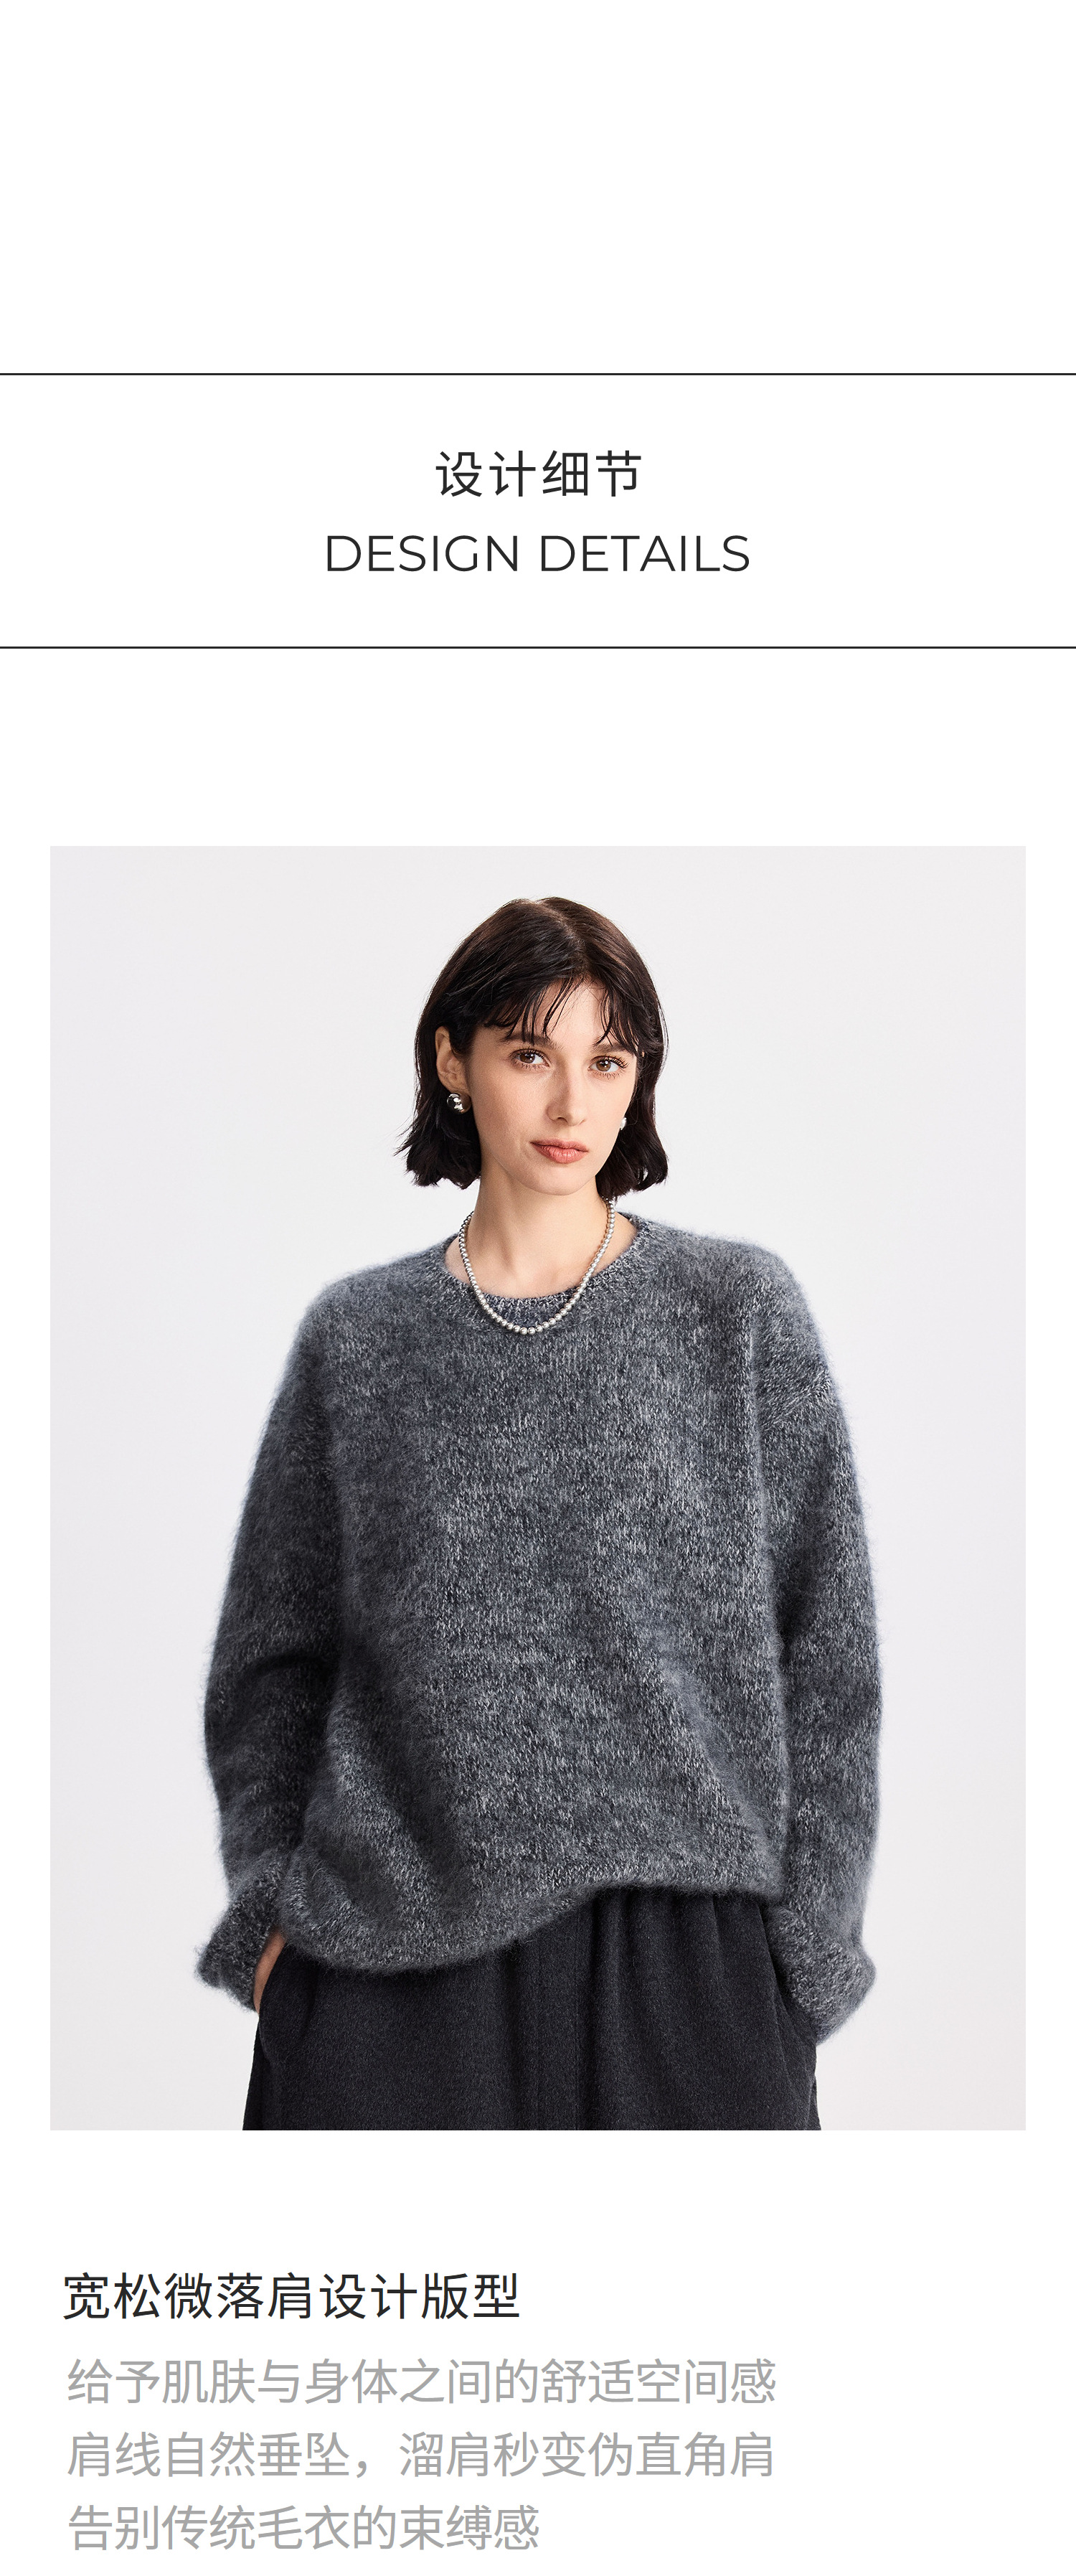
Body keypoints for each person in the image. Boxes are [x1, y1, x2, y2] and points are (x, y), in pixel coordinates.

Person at [198, 894, 881, 2129]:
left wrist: (803, 1963)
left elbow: (828, 1655)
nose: (571, 1103)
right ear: (453, 1062)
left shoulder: (736, 1314)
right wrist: (269, 1931)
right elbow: (270, 1666)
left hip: (687, 1972)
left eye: (607, 1061)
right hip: (390, 1974)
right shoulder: (361, 1339)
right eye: (529, 1053)